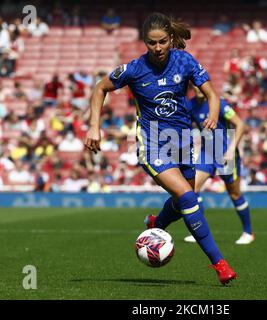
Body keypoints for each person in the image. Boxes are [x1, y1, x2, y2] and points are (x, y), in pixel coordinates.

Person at [84, 12, 237, 285]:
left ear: (170, 38)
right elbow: (99, 88)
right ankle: (220, 265)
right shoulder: (134, 69)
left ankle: (156, 224)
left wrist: (213, 113)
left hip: (182, 141)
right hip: (152, 143)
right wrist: (94, 126)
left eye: (162, 42)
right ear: (145, 42)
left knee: (182, 201)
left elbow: (212, 94)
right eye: (152, 43)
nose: (157, 48)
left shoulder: (184, 61)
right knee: (189, 198)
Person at [183, 86, 254, 245]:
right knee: (192, 189)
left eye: (200, 85)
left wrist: (231, 149)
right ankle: (199, 232)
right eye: (194, 85)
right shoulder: (191, 104)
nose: (198, 88)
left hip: (225, 154)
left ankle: (248, 232)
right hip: (207, 153)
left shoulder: (219, 104)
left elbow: (240, 125)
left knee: (234, 194)